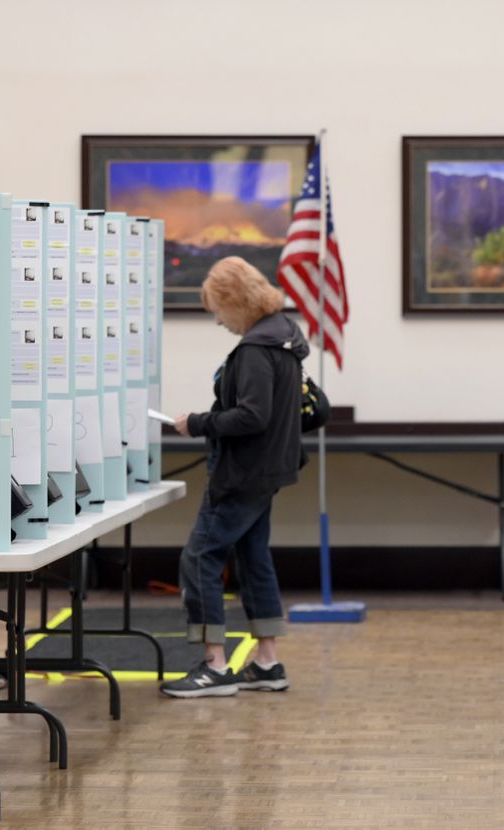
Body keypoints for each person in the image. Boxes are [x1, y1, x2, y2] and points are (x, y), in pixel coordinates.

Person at [160, 256, 308, 699]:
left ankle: (214, 666)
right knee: (251, 556)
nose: (218, 321)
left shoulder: (254, 350)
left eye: (217, 310)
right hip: (269, 469)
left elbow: (252, 416)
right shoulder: (285, 338)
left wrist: (198, 422)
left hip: (242, 472)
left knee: (200, 556)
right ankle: (267, 660)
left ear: (236, 301)